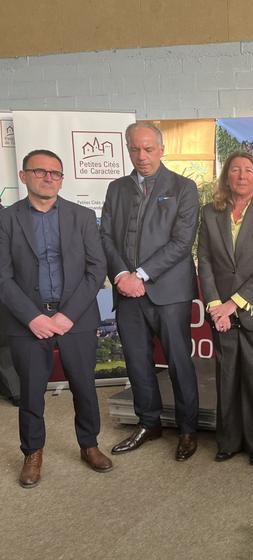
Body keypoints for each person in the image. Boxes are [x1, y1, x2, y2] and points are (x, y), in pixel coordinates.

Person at [0, 149, 111, 488]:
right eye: (40, 171)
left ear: (62, 179)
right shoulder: (7, 219)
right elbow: (2, 276)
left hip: (75, 318)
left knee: (84, 386)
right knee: (31, 391)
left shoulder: (81, 216)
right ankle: (33, 452)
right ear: (24, 176)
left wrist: (68, 315)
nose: (48, 178)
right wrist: (32, 317)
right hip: (26, 320)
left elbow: (97, 269)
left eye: (55, 173)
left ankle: (89, 444)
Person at [101, 122, 200, 461]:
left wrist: (140, 275)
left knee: (178, 362)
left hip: (168, 292)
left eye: (148, 149)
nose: (141, 156)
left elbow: (181, 242)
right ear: (128, 150)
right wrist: (121, 275)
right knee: (137, 362)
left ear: (161, 149)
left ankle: (188, 429)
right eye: (134, 149)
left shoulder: (184, 188)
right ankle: (149, 422)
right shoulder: (116, 188)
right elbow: (106, 238)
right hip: (126, 292)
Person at [197, 151, 253, 466]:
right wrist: (214, 305)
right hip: (219, 309)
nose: (242, 175)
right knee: (227, 377)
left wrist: (233, 305)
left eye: (249, 170)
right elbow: (204, 260)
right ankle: (229, 440)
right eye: (235, 169)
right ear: (226, 176)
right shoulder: (209, 212)